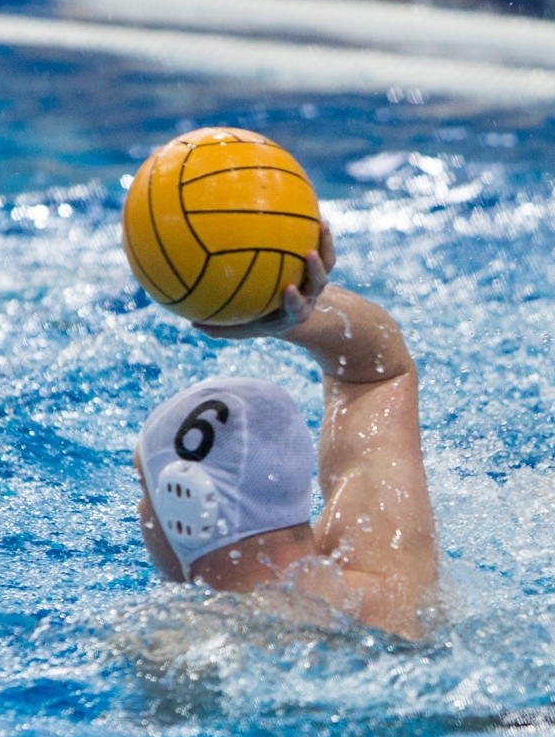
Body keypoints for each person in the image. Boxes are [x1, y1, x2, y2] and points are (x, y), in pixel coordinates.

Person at [133, 224, 438, 639]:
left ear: (182, 500)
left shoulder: (178, 638)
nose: (140, 512)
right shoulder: (394, 590)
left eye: (143, 487)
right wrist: (283, 310)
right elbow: (378, 373)